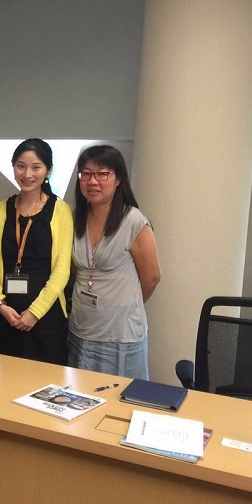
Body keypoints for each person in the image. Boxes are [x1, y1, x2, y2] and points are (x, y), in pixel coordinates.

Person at [68, 144, 161, 380]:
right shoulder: (76, 218)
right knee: (79, 394)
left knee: (122, 397)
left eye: (102, 174)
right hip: (81, 330)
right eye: (86, 174)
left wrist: (125, 305)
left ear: (118, 179)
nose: (92, 181)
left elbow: (151, 278)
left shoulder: (133, 220)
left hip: (121, 336)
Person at [0, 139, 73, 364]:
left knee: (48, 381)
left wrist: (34, 312)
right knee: (7, 377)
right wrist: (0, 304)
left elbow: (62, 270)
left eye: (36, 167)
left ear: (48, 170)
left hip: (47, 317)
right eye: (21, 166)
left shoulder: (61, 211)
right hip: (7, 315)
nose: (27, 174)